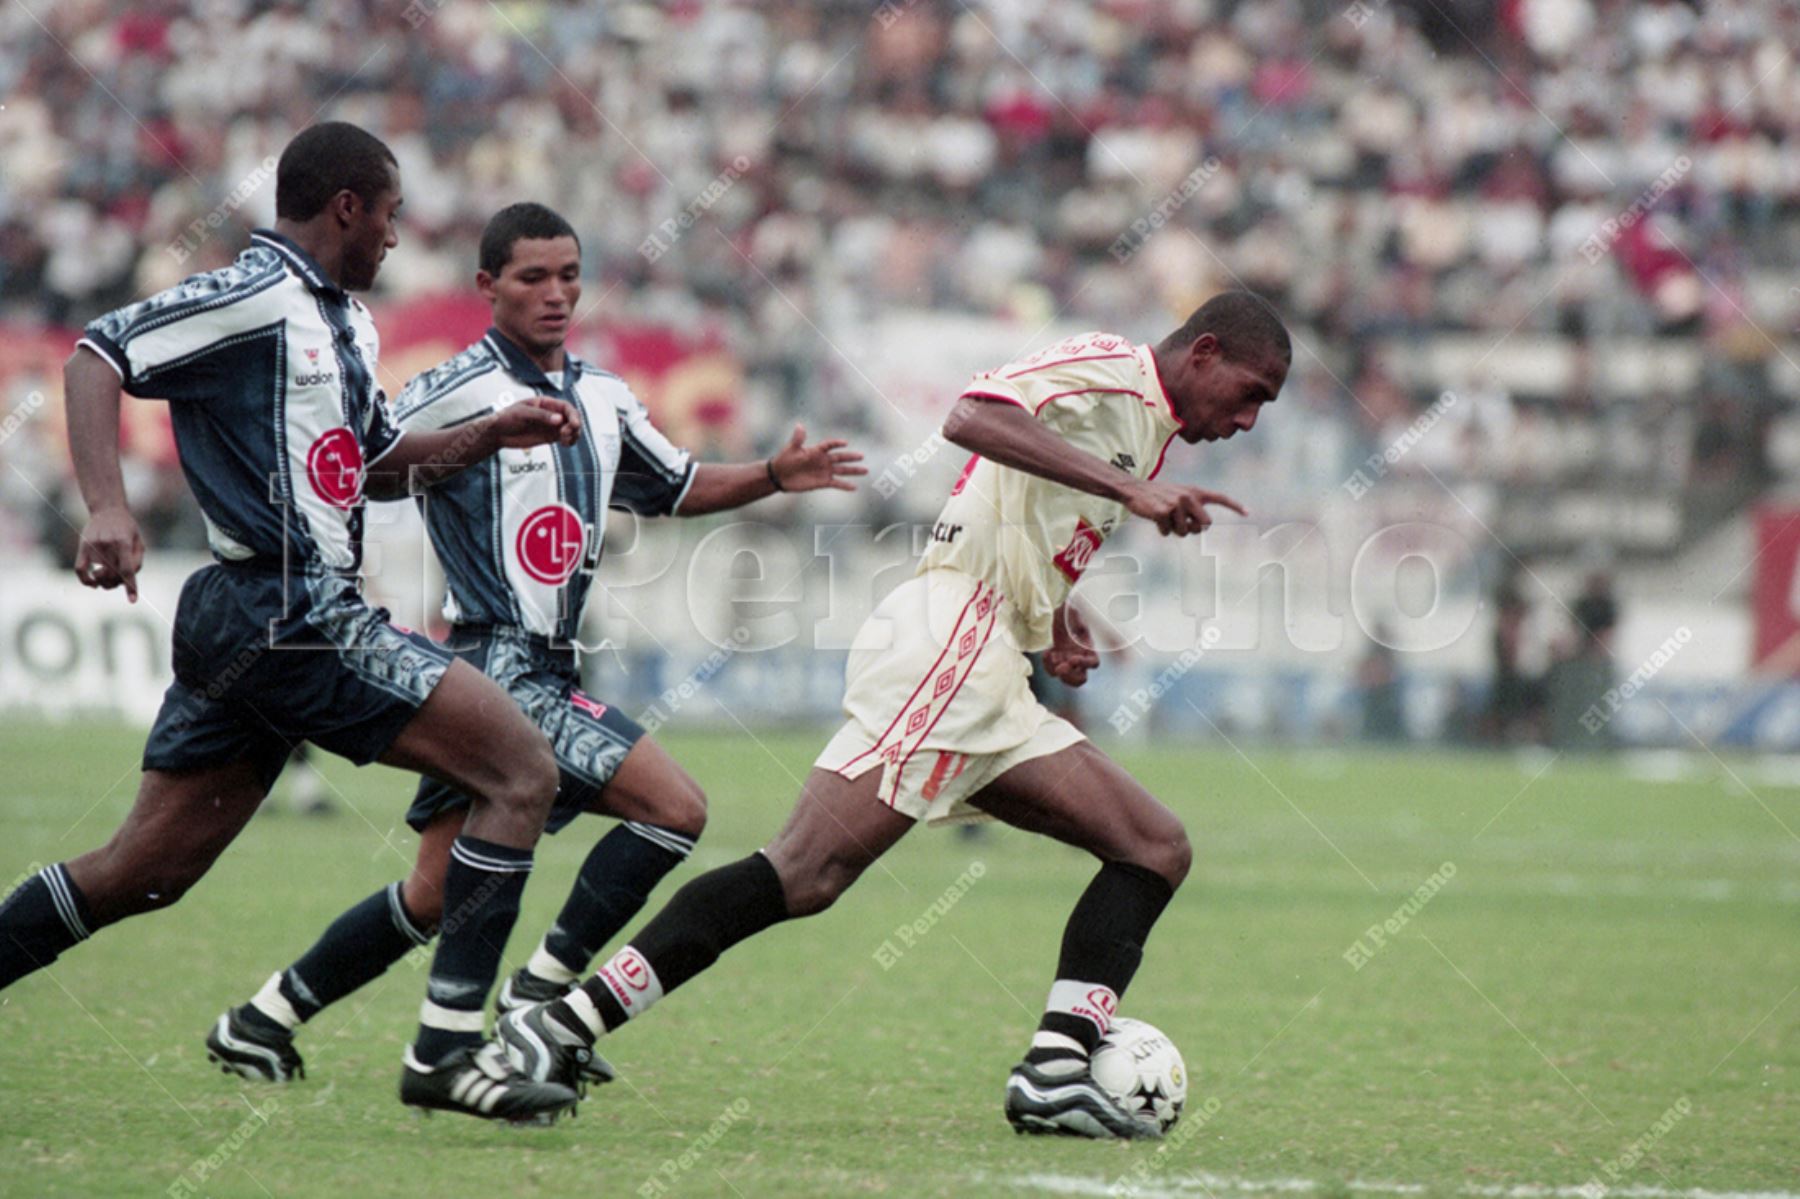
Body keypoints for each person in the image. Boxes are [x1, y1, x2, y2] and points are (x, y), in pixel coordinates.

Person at [500, 293, 1290, 1140]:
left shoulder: (1145, 426)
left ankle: (1056, 1071)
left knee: (1153, 846)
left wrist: (1056, 616)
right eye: (1250, 393)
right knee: (805, 869)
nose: (1246, 420)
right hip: (949, 647)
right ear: (1203, 351)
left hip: (989, 663)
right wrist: (1130, 490)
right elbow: (973, 416)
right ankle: (561, 1023)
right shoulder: (1112, 371)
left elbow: (1012, 509)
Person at [204, 202, 864, 1092]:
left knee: (435, 895)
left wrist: (774, 475)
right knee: (673, 808)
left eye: (568, 275)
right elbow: (362, 464)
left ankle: (263, 1017)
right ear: (487, 286)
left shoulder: (604, 395)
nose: (556, 294)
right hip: (494, 663)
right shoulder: (452, 389)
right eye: (531, 278)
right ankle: (539, 1000)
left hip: (551, 663)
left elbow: (672, 486)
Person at [0, 124, 586, 1123]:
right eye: (392, 215)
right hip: (286, 607)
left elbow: (372, 465)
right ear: (348, 206)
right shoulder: (251, 293)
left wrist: (487, 433)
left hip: (262, 615)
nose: (398, 238)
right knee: (521, 768)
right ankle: (447, 1052)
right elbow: (98, 352)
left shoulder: (345, 322)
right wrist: (105, 504)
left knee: (144, 872)